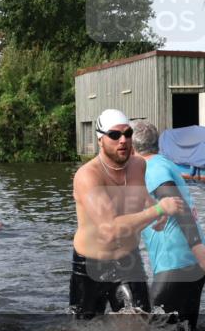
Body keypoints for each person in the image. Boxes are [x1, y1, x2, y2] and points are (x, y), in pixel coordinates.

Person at [70, 109, 187, 317]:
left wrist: (153, 208)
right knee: (85, 330)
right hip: (90, 264)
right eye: (115, 135)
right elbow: (110, 228)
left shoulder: (138, 165)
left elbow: (140, 195)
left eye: (127, 133)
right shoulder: (88, 176)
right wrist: (159, 209)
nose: (123, 140)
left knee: (142, 324)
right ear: (100, 140)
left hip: (128, 260)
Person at [131, 120, 205, 330]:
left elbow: (175, 201)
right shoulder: (164, 163)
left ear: (132, 149)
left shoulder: (151, 168)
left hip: (176, 263)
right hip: (190, 261)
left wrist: (196, 246)